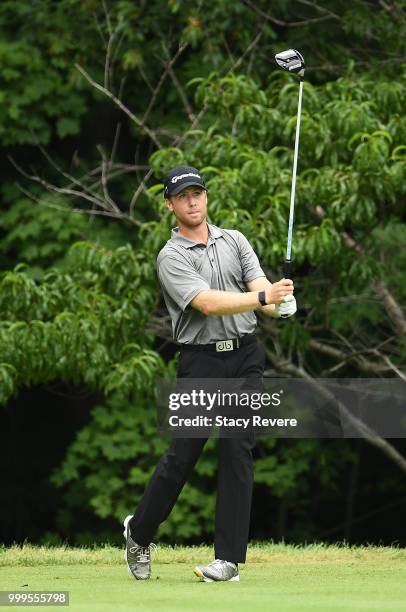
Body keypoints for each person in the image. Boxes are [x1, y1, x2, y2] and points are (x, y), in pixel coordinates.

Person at [123, 165, 297, 582]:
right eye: (183, 196)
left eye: (197, 193)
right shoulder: (171, 256)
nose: (192, 201)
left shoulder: (234, 240)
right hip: (200, 363)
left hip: (245, 357)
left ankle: (229, 561)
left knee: (237, 450)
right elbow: (206, 303)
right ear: (170, 205)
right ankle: (139, 532)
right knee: (182, 457)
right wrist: (261, 296)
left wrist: (281, 303)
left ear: (205, 196)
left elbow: (262, 292)